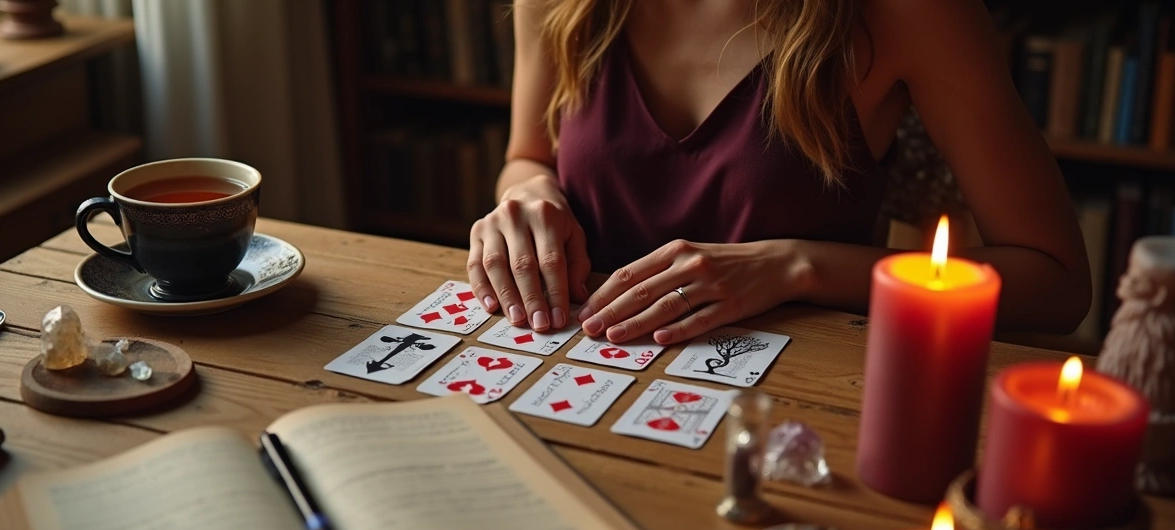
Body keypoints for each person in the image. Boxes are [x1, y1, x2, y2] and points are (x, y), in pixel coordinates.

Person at [466, 0, 1091, 346]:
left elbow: (1057, 282)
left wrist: (797, 266)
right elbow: (528, 156)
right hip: (575, 363)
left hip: (796, 397)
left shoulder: (910, 13)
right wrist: (529, 192)